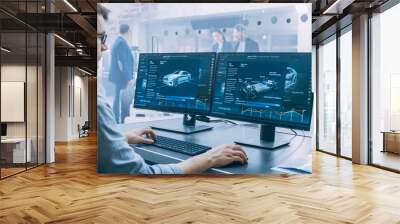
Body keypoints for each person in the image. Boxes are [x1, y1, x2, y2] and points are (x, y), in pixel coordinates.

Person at [97, 5, 248, 174]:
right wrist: (209, 158)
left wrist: (119, 139)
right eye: (101, 37)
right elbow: (143, 174)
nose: (105, 47)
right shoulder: (98, 105)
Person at [109, 24, 134, 124]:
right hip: (121, 78)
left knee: (117, 100)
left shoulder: (117, 42)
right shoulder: (121, 43)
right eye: (130, 32)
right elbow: (122, 62)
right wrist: (129, 78)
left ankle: (118, 121)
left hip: (118, 77)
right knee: (121, 101)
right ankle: (120, 121)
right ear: (127, 32)